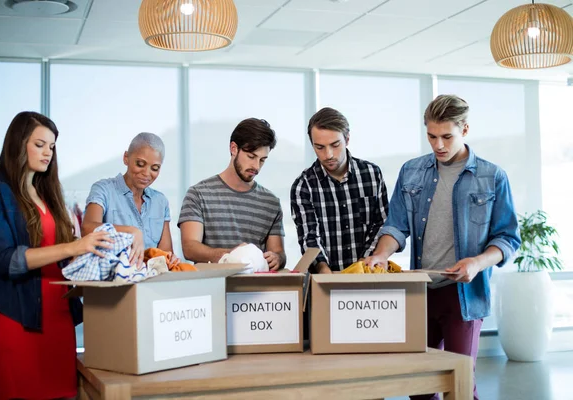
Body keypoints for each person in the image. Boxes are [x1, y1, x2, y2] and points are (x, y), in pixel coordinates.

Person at [366, 95, 521, 400]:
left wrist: (477, 262)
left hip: (464, 297)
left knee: (460, 384)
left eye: (446, 136)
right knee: (419, 388)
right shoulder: (411, 171)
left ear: (465, 129)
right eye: (431, 136)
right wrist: (381, 254)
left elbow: (507, 238)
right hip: (420, 293)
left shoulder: (492, 177)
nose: (438, 145)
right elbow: (396, 225)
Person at [0, 111, 113, 400]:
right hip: (17, 320)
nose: (48, 152)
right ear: (18, 143)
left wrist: (90, 256)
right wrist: (74, 247)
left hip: (59, 320)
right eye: (40, 144)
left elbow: (60, 257)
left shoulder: (48, 195)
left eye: (51, 146)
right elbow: (5, 260)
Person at [290, 107, 389, 273]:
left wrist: (363, 265)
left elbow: (382, 223)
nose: (328, 155)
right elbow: (309, 238)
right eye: (319, 147)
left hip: (369, 274)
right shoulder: (303, 186)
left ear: (347, 139)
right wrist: (325, 273)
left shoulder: (371, 174)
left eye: (335, 145)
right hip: (325, 278)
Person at [178, 118, 286, 270]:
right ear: (234, 148)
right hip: (211, 288)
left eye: (262, 160)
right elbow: (189, 248)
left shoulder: (271, 202)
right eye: (251, 157)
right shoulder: (198, 194)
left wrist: (277, 258)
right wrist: (234, 256)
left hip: (257, 290)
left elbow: (278, 252)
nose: (256, 166)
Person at [82, 132, 177, 268]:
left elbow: (164, 253)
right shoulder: (103, 189)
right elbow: (88, 228)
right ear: (126, 158)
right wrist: (131, 231)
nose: (146, 173)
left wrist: (170, 258)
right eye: (140, 164)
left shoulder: (160, 201)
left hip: (149, 282)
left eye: (154, 168)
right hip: (112, 280)